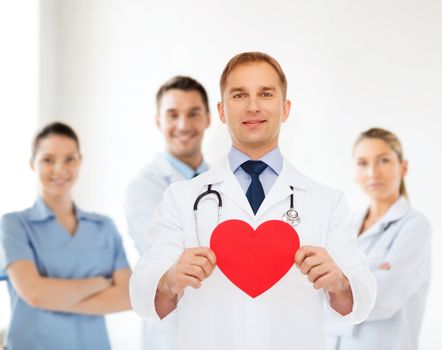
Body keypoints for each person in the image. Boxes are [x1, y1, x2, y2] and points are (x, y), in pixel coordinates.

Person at [129, 52, 376, 350]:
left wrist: (339, 282)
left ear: (285, 109)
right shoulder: (181, 199)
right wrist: (169, 279)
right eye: (239, 94)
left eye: (266, 93)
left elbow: (361, 300)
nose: (253, 106)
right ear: (221, 111)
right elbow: (143, 295)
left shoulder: (327, 201)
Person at [0, 122, 131, 350]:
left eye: (69, 159)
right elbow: (35, 294)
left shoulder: (104, 227)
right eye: (48, 160)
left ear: (80, 161)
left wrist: (54, 298)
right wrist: (98, 284)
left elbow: (128, 297)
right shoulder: (14, 225)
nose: (60, 169)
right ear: (33, 164)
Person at [326, 128, 432, 350]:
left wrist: (336, 287)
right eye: (363, 163)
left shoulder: (414, 226)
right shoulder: (346, 225)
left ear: (403, 167)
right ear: (355, 172)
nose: (373, 172)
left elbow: (384, 297)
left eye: (383, 160)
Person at [125, 76, 210, 349]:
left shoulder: (224, 181)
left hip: (219, 326)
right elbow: (164, 256)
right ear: (159, 121)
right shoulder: (144, 187)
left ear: (208, 118)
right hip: (171, 331)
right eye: (173, 115)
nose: (183, 125)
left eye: (193, 113)